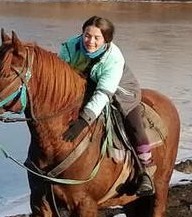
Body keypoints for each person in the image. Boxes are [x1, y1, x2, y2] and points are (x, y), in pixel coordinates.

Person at [57, 15, 154, 195]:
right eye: (87, 35)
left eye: (97, 37)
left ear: (106, 39)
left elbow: (103, 93)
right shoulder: (70, 47)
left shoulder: (114, 58)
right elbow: (60, 75)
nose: (90, 41)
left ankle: (145, 171)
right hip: (85, 86)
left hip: (119, 91)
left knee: (134, 126)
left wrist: (84, 121)